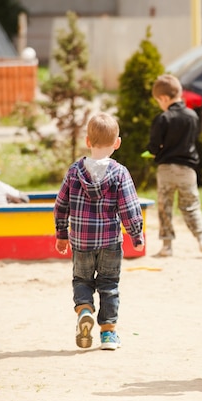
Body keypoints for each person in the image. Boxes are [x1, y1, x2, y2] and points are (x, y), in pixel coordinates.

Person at [54, 112, 144, 351]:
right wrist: (136, 234)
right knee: (109, 284)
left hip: (81, 240)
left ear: (87, 141)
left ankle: (84, 310)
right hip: (109, 242)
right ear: (117, 143)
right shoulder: (120, 173)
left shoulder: (74, 171)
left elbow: (61, 204)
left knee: (82, 280)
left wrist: (62, 234)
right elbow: (129, 206)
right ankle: (108, 334)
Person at [145, 74, 202, 258]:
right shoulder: (192, 116)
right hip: (187, 170)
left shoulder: (163, 118)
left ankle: (167, 246)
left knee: (165, 206)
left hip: (166, 169)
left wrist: (150, 152)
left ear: (164, 98)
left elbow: (154, 146)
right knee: (191, 205)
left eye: (158, 101)